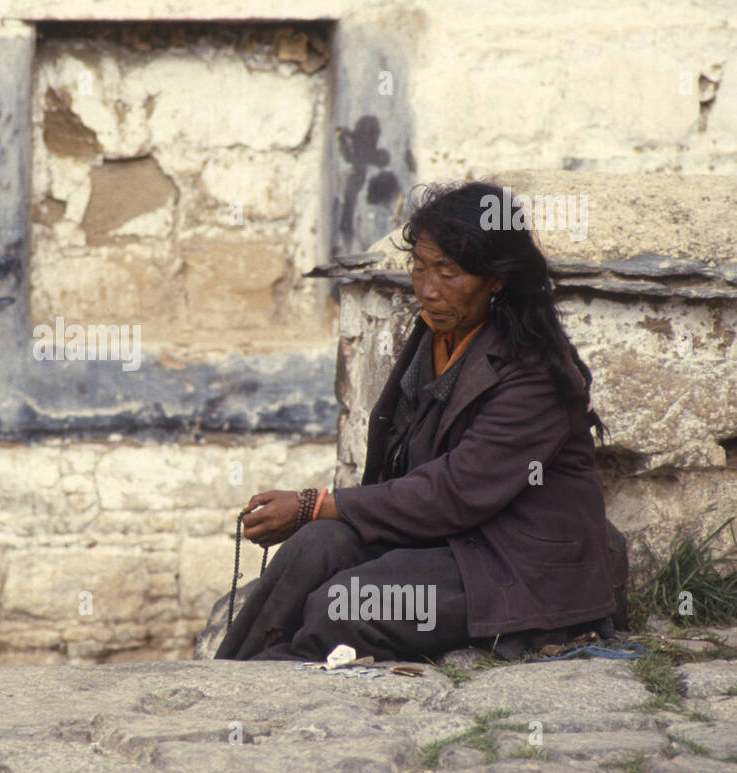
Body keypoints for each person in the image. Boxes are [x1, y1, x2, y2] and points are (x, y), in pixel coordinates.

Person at [216, 180, 617, 663]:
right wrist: (319, 516)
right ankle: (229, 678)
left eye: (448, 273)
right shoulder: (438, 332)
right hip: (449, 542)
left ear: (497, 278)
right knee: (314, 547)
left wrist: (315, 502)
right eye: (420, 268)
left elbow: (453, 492)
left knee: (337, 607)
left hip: (517, 565)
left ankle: (272, 685)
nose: (427, 290)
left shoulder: (533, 373)